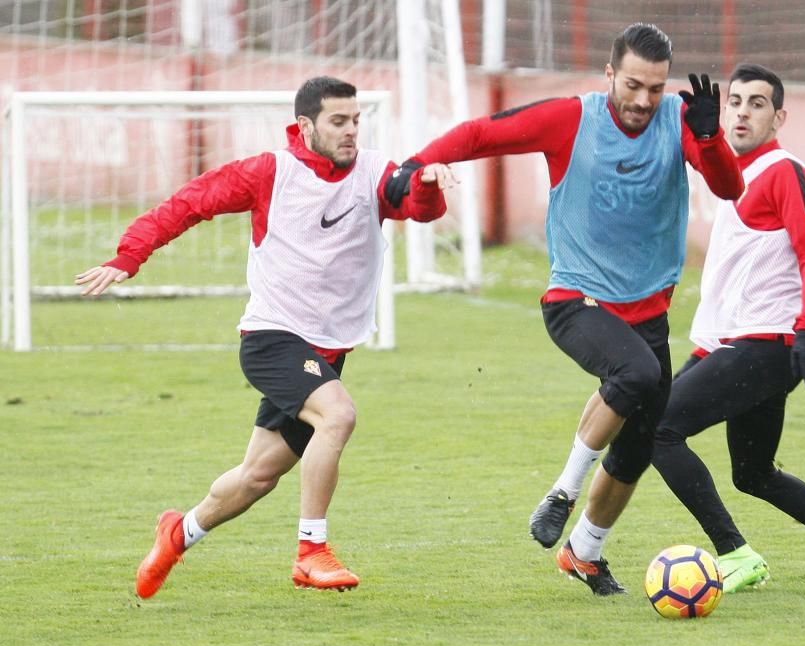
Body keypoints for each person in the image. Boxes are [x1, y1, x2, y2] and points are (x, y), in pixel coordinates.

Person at [384, 23, 744, 595]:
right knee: (637, 373)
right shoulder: (572, 120)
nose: (644, 100)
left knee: (637, 444)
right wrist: (413, 164)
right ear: (608, 75)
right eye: (633, 85)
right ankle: (561, 492)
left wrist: (708, 139)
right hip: (577, 299)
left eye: (656, 88)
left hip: (648, 312)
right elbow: (483, 134)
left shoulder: (679, 122)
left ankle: (585, 552)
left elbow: (729, 190)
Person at [76, 76, 456, 598]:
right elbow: (188, 204)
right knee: (339, 415)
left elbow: (416, 207)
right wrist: (129, 255)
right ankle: (311, 552)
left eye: (355, 121)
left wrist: (429, 186)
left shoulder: (374, 172)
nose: (350, 132)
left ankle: (177, 533)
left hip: (327, 350)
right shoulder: (268, 172)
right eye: (338, 122)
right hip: (272, 337)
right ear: (306, 126)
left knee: (257, 477)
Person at [562, 63, 805, 595]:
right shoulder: (732, 177)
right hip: (734, 344)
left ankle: (735, 553)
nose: (742, 111)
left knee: (660, 430)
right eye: (735, 101)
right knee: (754, 472)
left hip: (769, 344)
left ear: (779, 116)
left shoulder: (785, 171)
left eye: (756, 104)